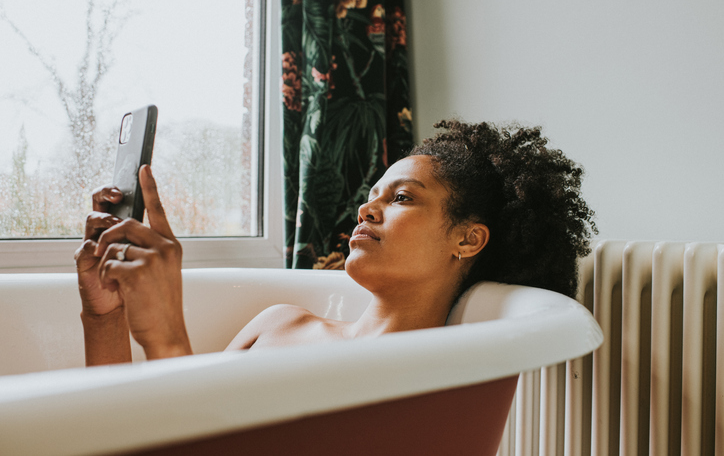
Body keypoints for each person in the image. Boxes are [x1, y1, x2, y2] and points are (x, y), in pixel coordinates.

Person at [75, 120, 597, 366]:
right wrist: (105, 317)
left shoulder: (430, 376)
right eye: (372, 196)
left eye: (402, 198)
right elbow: (133, 431)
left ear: (467, 238)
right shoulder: (280, 321)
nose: (367, 209)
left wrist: (166, 336)